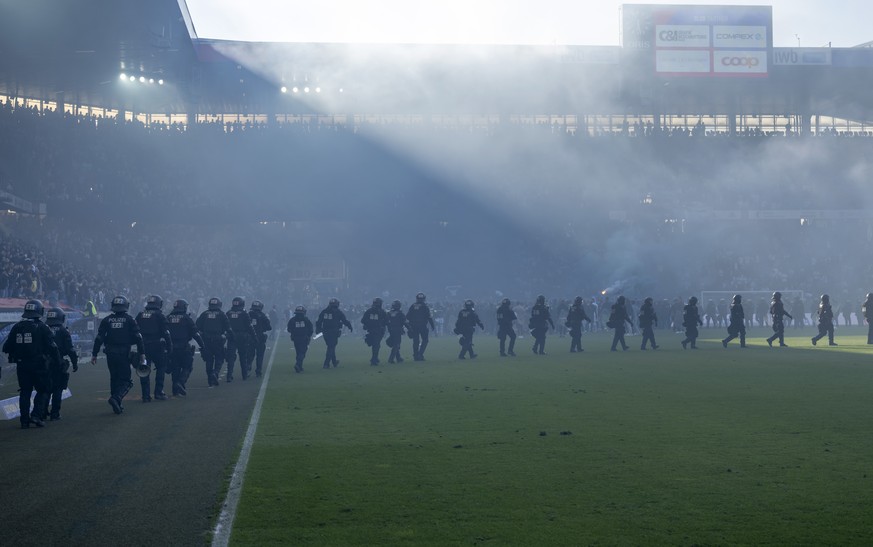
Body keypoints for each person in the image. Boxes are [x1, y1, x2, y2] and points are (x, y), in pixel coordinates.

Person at [3, 300, 61, 428]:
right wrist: (58, 362)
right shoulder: (42, 327)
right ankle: (36, 415)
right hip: (39, 364)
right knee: (44, 390)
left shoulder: (16, 327)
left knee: (25, 391)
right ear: (39, 311)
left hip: (22, 365)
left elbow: (6, 347)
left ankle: (24, 421)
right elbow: (52, 347)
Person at [91, 295, 145, 415]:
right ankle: (116, 398)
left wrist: (94, 354)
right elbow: (138, 337)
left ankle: (117, 403)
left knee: (114, 378)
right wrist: (142, 354)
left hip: (110, 354)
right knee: (126, 380)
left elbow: (99, 338)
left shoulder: (106, 320)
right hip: (123, 353)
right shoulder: (130, 320)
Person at [135, 295, 173, 402]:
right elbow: (166, 333)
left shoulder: (140, 315)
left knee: (144, 369)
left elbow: (135, 331)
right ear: (159, 304)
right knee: (161, 368)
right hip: (157, 346)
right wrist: (170, 347)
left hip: (143, 347)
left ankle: (145, 395)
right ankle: (158, 392)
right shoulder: (160, 316)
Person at [166, 299, 206, 397]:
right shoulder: (186, 318)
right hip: (183, 347)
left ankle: (175, 390)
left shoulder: (168, 317)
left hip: (171, 348)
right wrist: (202, 345)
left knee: (175, 368)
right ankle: (180, 382)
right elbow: (195, 333)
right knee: (187, 366)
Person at [45, 307, 79, 420]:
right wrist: (75, 363)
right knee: (57, 388)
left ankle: (43, 412)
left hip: (44, 363)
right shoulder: (63, 331)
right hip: (59, 362)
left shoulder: (43, 329)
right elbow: (70, 350)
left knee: (45, 389)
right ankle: (55, 413)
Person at [196, 297, 233, 387]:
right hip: (218, 340)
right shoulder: (222, 314)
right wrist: (230, 336)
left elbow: (197, 326)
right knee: (219, 358)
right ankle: (215, 373)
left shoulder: (204, 314)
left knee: (209, 360)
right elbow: (228, 328)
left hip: (206, 340)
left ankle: (210, 378)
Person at [225, 297, 257, 381]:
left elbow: (225, 325)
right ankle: (244, 375)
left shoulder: (228, 313)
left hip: (231, 336)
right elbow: (249, 326)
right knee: (243, 357)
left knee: (231, 357)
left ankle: (229, 375)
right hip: (242, 337)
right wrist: (254, 337)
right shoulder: (244, 313)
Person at [316, 298, 353, 368]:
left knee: (331, 346)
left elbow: (319, 321)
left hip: (325, 332)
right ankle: (326, 363)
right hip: (333, 332)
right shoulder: (338, 312)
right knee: (331, 347)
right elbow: (344, 320)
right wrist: (349, 326)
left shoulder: (324, 311)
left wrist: (318, 329)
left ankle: (334, 362)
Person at [406, 293, 435, 361]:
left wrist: (410, 325)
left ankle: (415, 356)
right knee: (425, 340)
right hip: (422, 326)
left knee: (415, 341)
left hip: (414, 326)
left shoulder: (412, 306)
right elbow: (429, 317)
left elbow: (407, 316)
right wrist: (432, 325)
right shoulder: (425, 306)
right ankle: (420, 354)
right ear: (424, 299)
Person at [361, 298, 389, 366]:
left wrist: (368, 325)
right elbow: (386, 321)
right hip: (378, 331)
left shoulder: (369, 311)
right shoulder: (382, 311)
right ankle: (374, 359)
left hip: (371, 330)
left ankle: (375, 358)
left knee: (375, 345)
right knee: (376, 345)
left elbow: (363, 320)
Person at [248, 300, 272, 377]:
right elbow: (269, 327)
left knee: (250, 354)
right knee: (260, 355)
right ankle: (258, 370)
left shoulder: (248, 315)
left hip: (250, 337)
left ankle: (248, 368)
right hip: (260, 337)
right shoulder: (263, 315)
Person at [287, 306, 314, 372]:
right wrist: (308, 336)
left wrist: (294, 332)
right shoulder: (306, 320)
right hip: (304, 338)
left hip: (295, 338)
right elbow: (311, 329)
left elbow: (289, 329)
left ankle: (300, 367)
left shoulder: (292, 320)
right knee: (302, 353)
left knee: (298, 352)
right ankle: (298, 364)